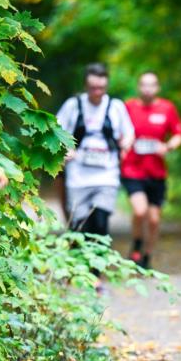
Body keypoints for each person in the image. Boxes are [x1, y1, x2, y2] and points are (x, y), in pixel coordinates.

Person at [56, 62, 134, 292]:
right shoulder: (73, 105)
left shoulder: (116, 106)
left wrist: (126, 143)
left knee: (100, 223)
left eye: (101, 87)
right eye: (92, 88)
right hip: (79, 176)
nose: (97, 92)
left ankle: (95, 275)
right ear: (86, 85)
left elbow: (128, 133)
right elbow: (55, 129)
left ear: (106, 84)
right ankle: (76, 269)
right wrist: (65, 149)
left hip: (106, 175)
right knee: (79, 225)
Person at [121, 71, 181, 270]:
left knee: (154, 219)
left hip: (156, 172)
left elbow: (178, 134)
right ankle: (137, 242)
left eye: (152, 85)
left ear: (157, 87)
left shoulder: (167, 108)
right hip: (132, 169)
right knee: (140, 211)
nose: (148, 89)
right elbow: (116, 130)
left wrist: (168, 147)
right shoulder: (128, 107)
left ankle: (146, 257)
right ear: (139, 87)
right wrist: (121, 144)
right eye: (144, 85)